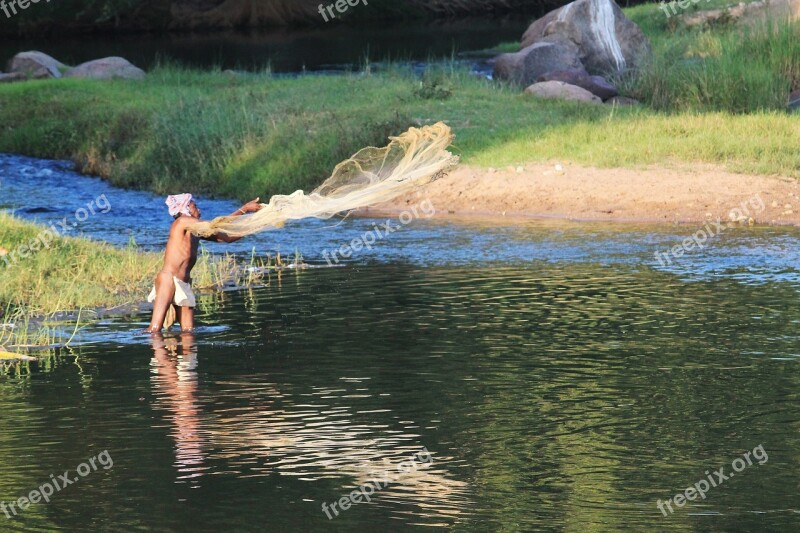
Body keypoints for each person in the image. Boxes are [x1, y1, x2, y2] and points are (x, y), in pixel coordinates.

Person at [146, 193, 263, 333]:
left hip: (183, 283)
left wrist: (257, 224)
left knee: (189, 331)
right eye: (195, 206)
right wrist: (244, 209)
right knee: (154, 330)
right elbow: (215, 225)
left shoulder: (196, 230)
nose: (199, 210)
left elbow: (227, 238)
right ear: (186, 208)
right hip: (168, 280)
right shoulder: (182, 221)